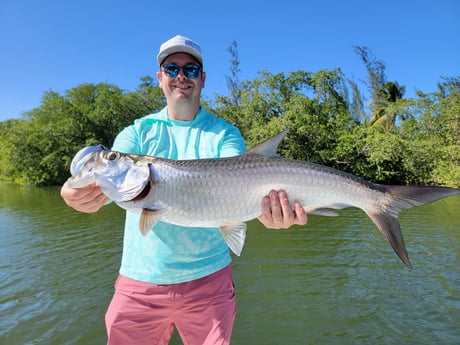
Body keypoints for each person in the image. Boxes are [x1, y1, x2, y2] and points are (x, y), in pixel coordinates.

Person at [60, 34, 307, 345]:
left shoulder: (224, 134)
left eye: (190, 70)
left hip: (210, 284)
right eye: (172, 68)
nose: (181, 76)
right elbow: (102, 183)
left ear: (202, 79)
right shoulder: (136, 133)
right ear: (160, 77)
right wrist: (74, 192)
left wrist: (272, 212)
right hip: (139, 285)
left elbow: (239, 179)